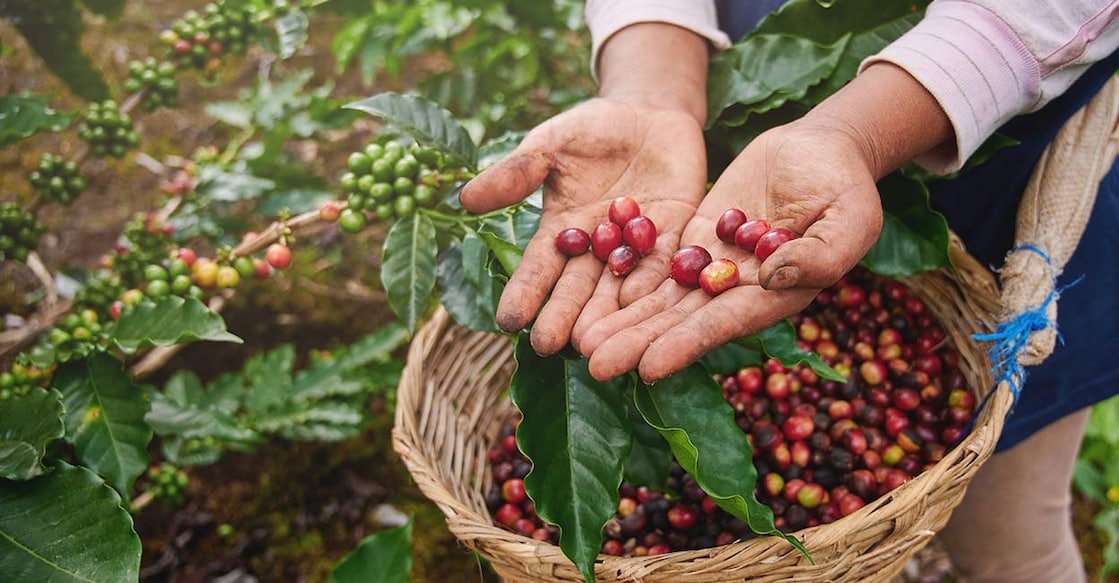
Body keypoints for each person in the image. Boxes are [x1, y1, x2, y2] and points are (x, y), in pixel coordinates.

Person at [459, 1, 1119, 581]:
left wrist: (857, 132)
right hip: (746, 144)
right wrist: (654, 80)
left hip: (1014, 136)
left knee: (1013, 545)